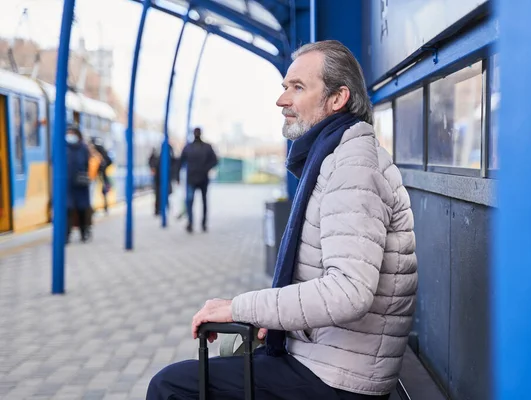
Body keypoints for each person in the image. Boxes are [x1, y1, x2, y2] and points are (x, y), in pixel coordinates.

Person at [147, 40, 418, 400]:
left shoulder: (353, 167)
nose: (282, 101)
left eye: (298, 88)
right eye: (284, 88)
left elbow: (349, 292)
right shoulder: (340, 155)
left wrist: (240, 307)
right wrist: (269, 316)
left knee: (170, 387)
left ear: (337, 99)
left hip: (339, 377)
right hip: (330, 358)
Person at [178, 127, 218, 233]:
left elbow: (214, 160)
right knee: (193, 201)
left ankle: (200, 223)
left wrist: (206, 168)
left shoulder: (191, 147)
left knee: (199, 201)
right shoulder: (196, 147)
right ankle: (193, 223)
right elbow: (181, 162)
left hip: (199, 178)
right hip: (195, 178)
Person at [65, 125, 91, 243]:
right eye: (68, 133)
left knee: (82, 209)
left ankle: (84, 232)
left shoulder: (83, 148)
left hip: (81, 184)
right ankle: (66, 235)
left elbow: (87, 163)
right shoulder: (63, 147)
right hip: (67, 185)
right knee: (67, 210)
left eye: (72, 133)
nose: (70, 135)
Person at [149, 144, 176, 216]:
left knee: (162, 192)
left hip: (163, 176)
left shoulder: (162, 148)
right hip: (161, 176)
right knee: (160, 193)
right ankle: (160, 208)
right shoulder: (167, 148)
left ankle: (161, 208)